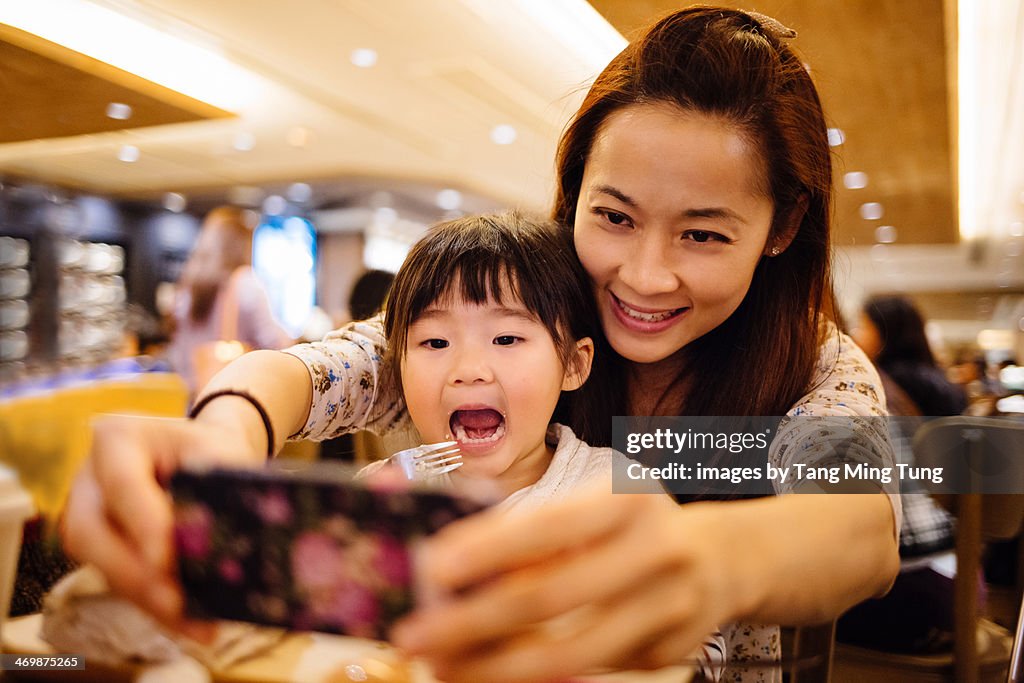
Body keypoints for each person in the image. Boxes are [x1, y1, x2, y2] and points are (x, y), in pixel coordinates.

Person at [62, 7, 900, 683]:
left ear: (782, 227)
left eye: (705, 236)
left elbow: (862, 531)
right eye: (613, 216)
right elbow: (316, 370)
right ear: (573, 196)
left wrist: (710, 557)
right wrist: (219, 438)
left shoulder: (816, 366)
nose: (643, 276)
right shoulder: (532, 310)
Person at [840, 294, 964, 653]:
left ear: (885, 332)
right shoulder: (940, 380)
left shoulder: (873, 383)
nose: (857, 336)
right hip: (957, 563)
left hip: (909, 590)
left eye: (864, 326)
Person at [166, 206, 292, 395]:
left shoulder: (188, 287)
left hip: (193, 397)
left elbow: (178, 353)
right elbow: (274, 344)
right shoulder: (246, 282)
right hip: (234, 403)